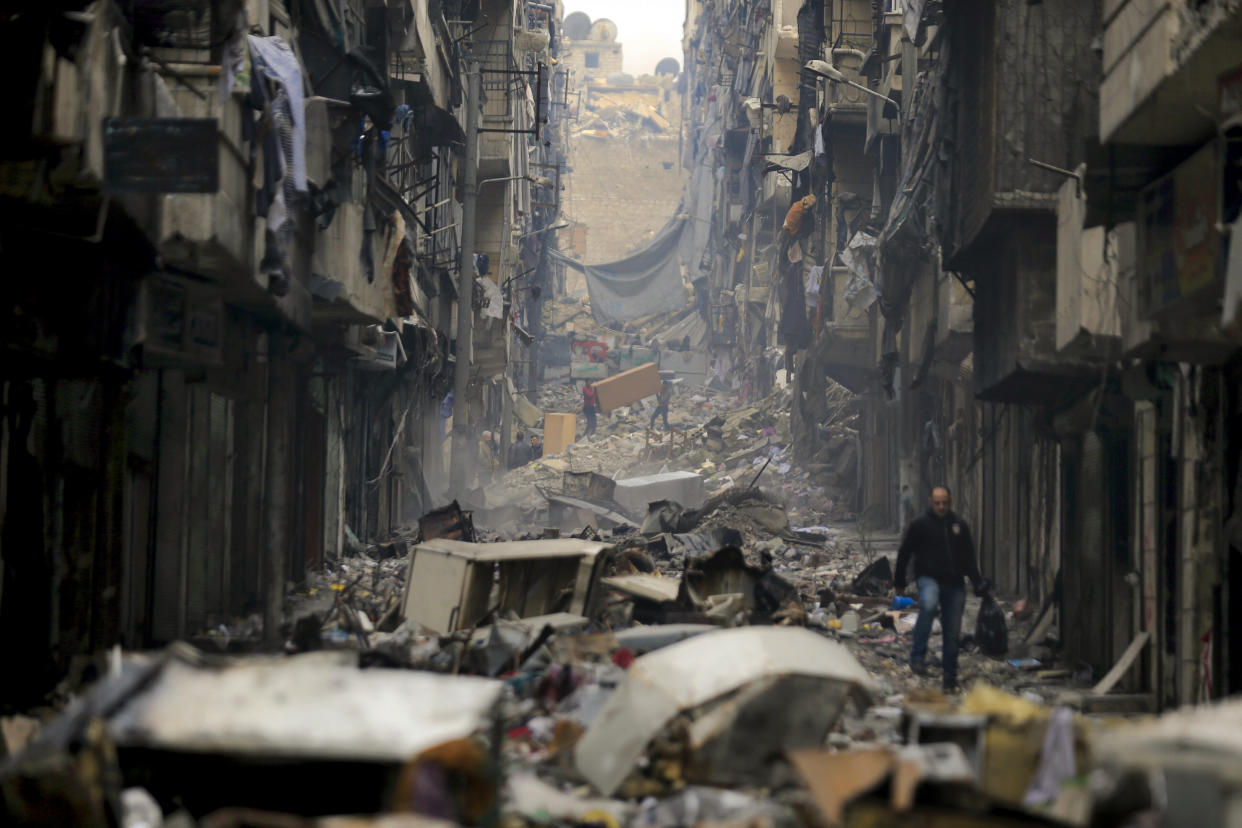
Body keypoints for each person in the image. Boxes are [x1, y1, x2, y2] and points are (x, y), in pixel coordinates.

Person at [893, 486, 988, 693]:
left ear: (950, 501)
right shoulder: (920, 525)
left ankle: (949, 676)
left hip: (955, 584)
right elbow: (905, 552)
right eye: (937, 503)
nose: (941, 506)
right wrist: (899, 581)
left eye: (944, 502)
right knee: (928, 604)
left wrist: (977, 582)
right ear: (930, 501)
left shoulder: (958, 525)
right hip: (928, 578)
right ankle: (917, 657)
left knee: (952, 631)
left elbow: (969, 558)